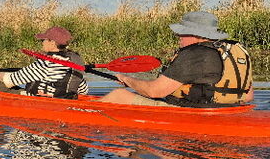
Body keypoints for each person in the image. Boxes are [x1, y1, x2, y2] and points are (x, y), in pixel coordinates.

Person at [99, 11, 253, 107]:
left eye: (181, 33)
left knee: (119, 95)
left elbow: (154, 91)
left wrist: (126, 79)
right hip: (231, 111)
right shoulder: (233, 50)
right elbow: (248, 96)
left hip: (195, 114)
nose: (178, 37)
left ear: (193, 34)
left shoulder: (194, 53)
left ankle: (81, 115)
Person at [0, 26, 89, 99]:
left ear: (52, 43)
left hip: (40, 103)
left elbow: (10, 80)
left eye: (43, 40)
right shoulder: (76, 61)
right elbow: (83, 91)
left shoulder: (46, 63)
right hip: (64, 101)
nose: (42, 43)